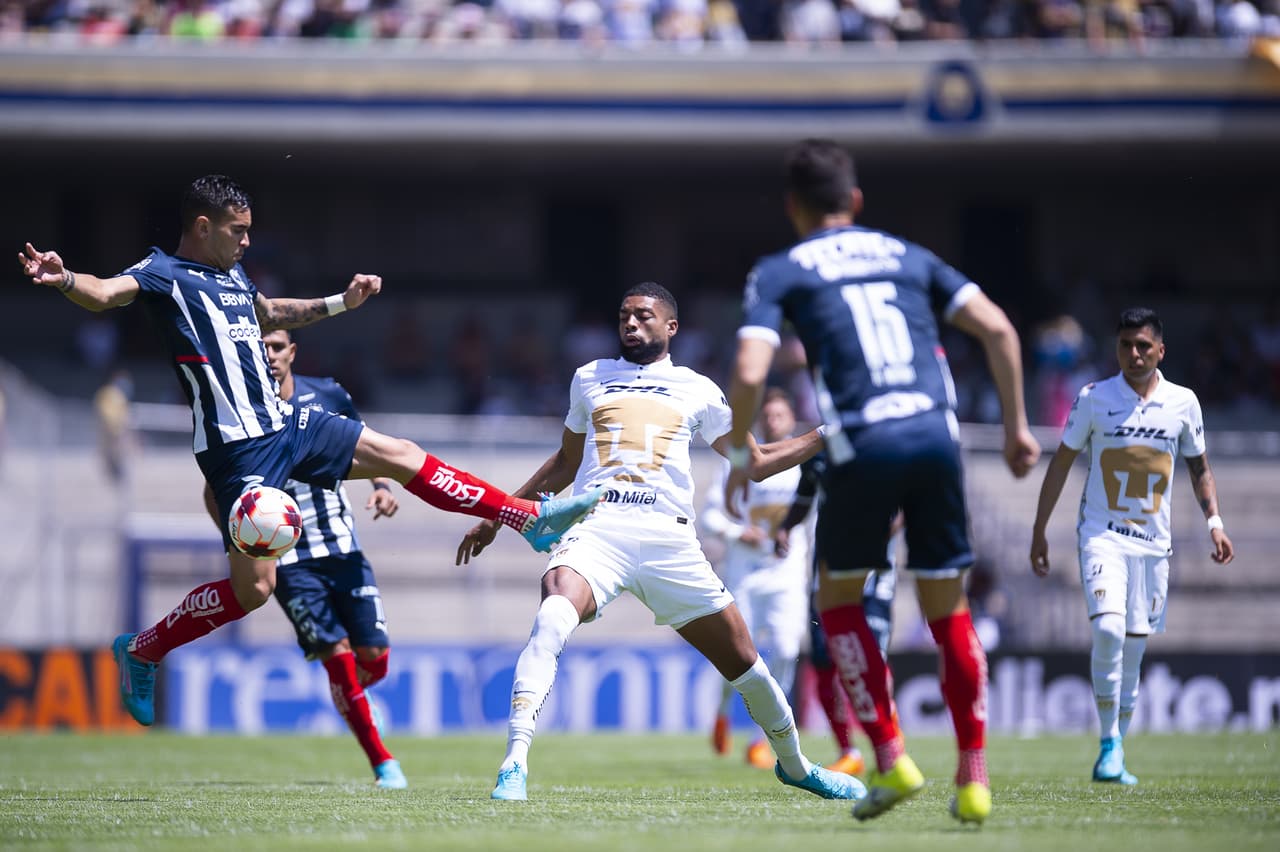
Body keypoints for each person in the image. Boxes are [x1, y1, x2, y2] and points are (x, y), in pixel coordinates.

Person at [16, 174, 603, 730]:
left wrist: (341, 303)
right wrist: (66, 279)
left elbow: (270, 312)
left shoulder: (235, 279)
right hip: (236, 455)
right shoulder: (163, 272)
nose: (247, 240)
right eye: (237, 230)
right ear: (202, 225)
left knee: (398, 452)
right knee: (254, 590)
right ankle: (142, 650)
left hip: (286, 425)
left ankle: (525, 517)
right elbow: (104, 293)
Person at [724, 139, 1040, 824]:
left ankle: (892, 758)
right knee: (948, 610)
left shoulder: (781, 269)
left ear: (792, 206)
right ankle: (974, 775)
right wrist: (1016, 427)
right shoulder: (909, 256)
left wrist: (740, 455)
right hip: (936, 437)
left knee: (837, 597)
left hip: (863, 444)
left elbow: (751, 373)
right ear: (856, 200)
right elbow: (1000, 330)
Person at [455, 282, 867, 804]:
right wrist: (501, 513)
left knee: (747, 662)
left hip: (670, 543)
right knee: (553, 614)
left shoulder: (698, 388)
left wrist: (825, 434)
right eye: (624, 315)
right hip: (597, 531)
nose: (630, 323)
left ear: (670, 327)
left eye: (643, 316)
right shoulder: (590, 377)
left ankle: (798, 766)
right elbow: (565, 464)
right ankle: (514, 763)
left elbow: (755, 464)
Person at [1030, 307, 1234, 786]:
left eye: (1143, 345)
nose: (1134, 353)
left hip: (1153, 545)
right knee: (1108, 631)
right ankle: (1108, 743)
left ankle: (1116, 752)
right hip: (1101, 536)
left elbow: (1199, 467)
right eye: (1126, 345)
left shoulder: (1183, 403)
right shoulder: (1094, 399)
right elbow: (1060, 464)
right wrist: (1039, 528)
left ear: (1161, 350)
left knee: (1135, 650)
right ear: (1116, 348)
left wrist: (1215, 523)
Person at [201, 328, 407, 789]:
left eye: (276, 346)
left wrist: (380, 486)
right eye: (260, 348)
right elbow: (212, 492)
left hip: (342, 545)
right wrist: (242, 542)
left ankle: (348, 693)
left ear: (292, 352)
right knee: (337, 655)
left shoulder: (329, 394)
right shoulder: (237, 412)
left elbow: (366, 445)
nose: (269, 355)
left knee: (374, 657)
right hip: (289, 560)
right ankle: (383, 763)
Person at [700, 387, 810, 769]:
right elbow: (709, 518)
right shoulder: (740, 461)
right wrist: (737, 533)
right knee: (736, 655)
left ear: (792, 420)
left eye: (780, 415)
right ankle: (722, 711)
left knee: (787, 649)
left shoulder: (804, 466)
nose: (773, 421)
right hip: (744, 573)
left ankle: (760, 738)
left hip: (787, 573)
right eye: (769, 416)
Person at [773, 449, 898, 778]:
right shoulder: (819, 451)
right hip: (825, 577)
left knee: (872, 662)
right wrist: (786, 527)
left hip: (873, 578)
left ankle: (890, 749)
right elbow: (804, 496)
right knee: (825, 662)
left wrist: (877, 532)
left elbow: (903, 505)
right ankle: (849, 751)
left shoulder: (881, 439)